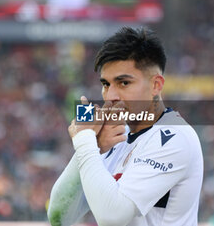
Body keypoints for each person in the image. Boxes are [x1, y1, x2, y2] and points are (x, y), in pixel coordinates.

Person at [47, 27, 203, 226]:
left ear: (156, 85)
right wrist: (88, 147)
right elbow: (59, 218)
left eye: (124, 83)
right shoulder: (115, 139)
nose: (110, 96)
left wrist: (85, 140)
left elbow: (112, 217)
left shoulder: (174, 137)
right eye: (106, 84)